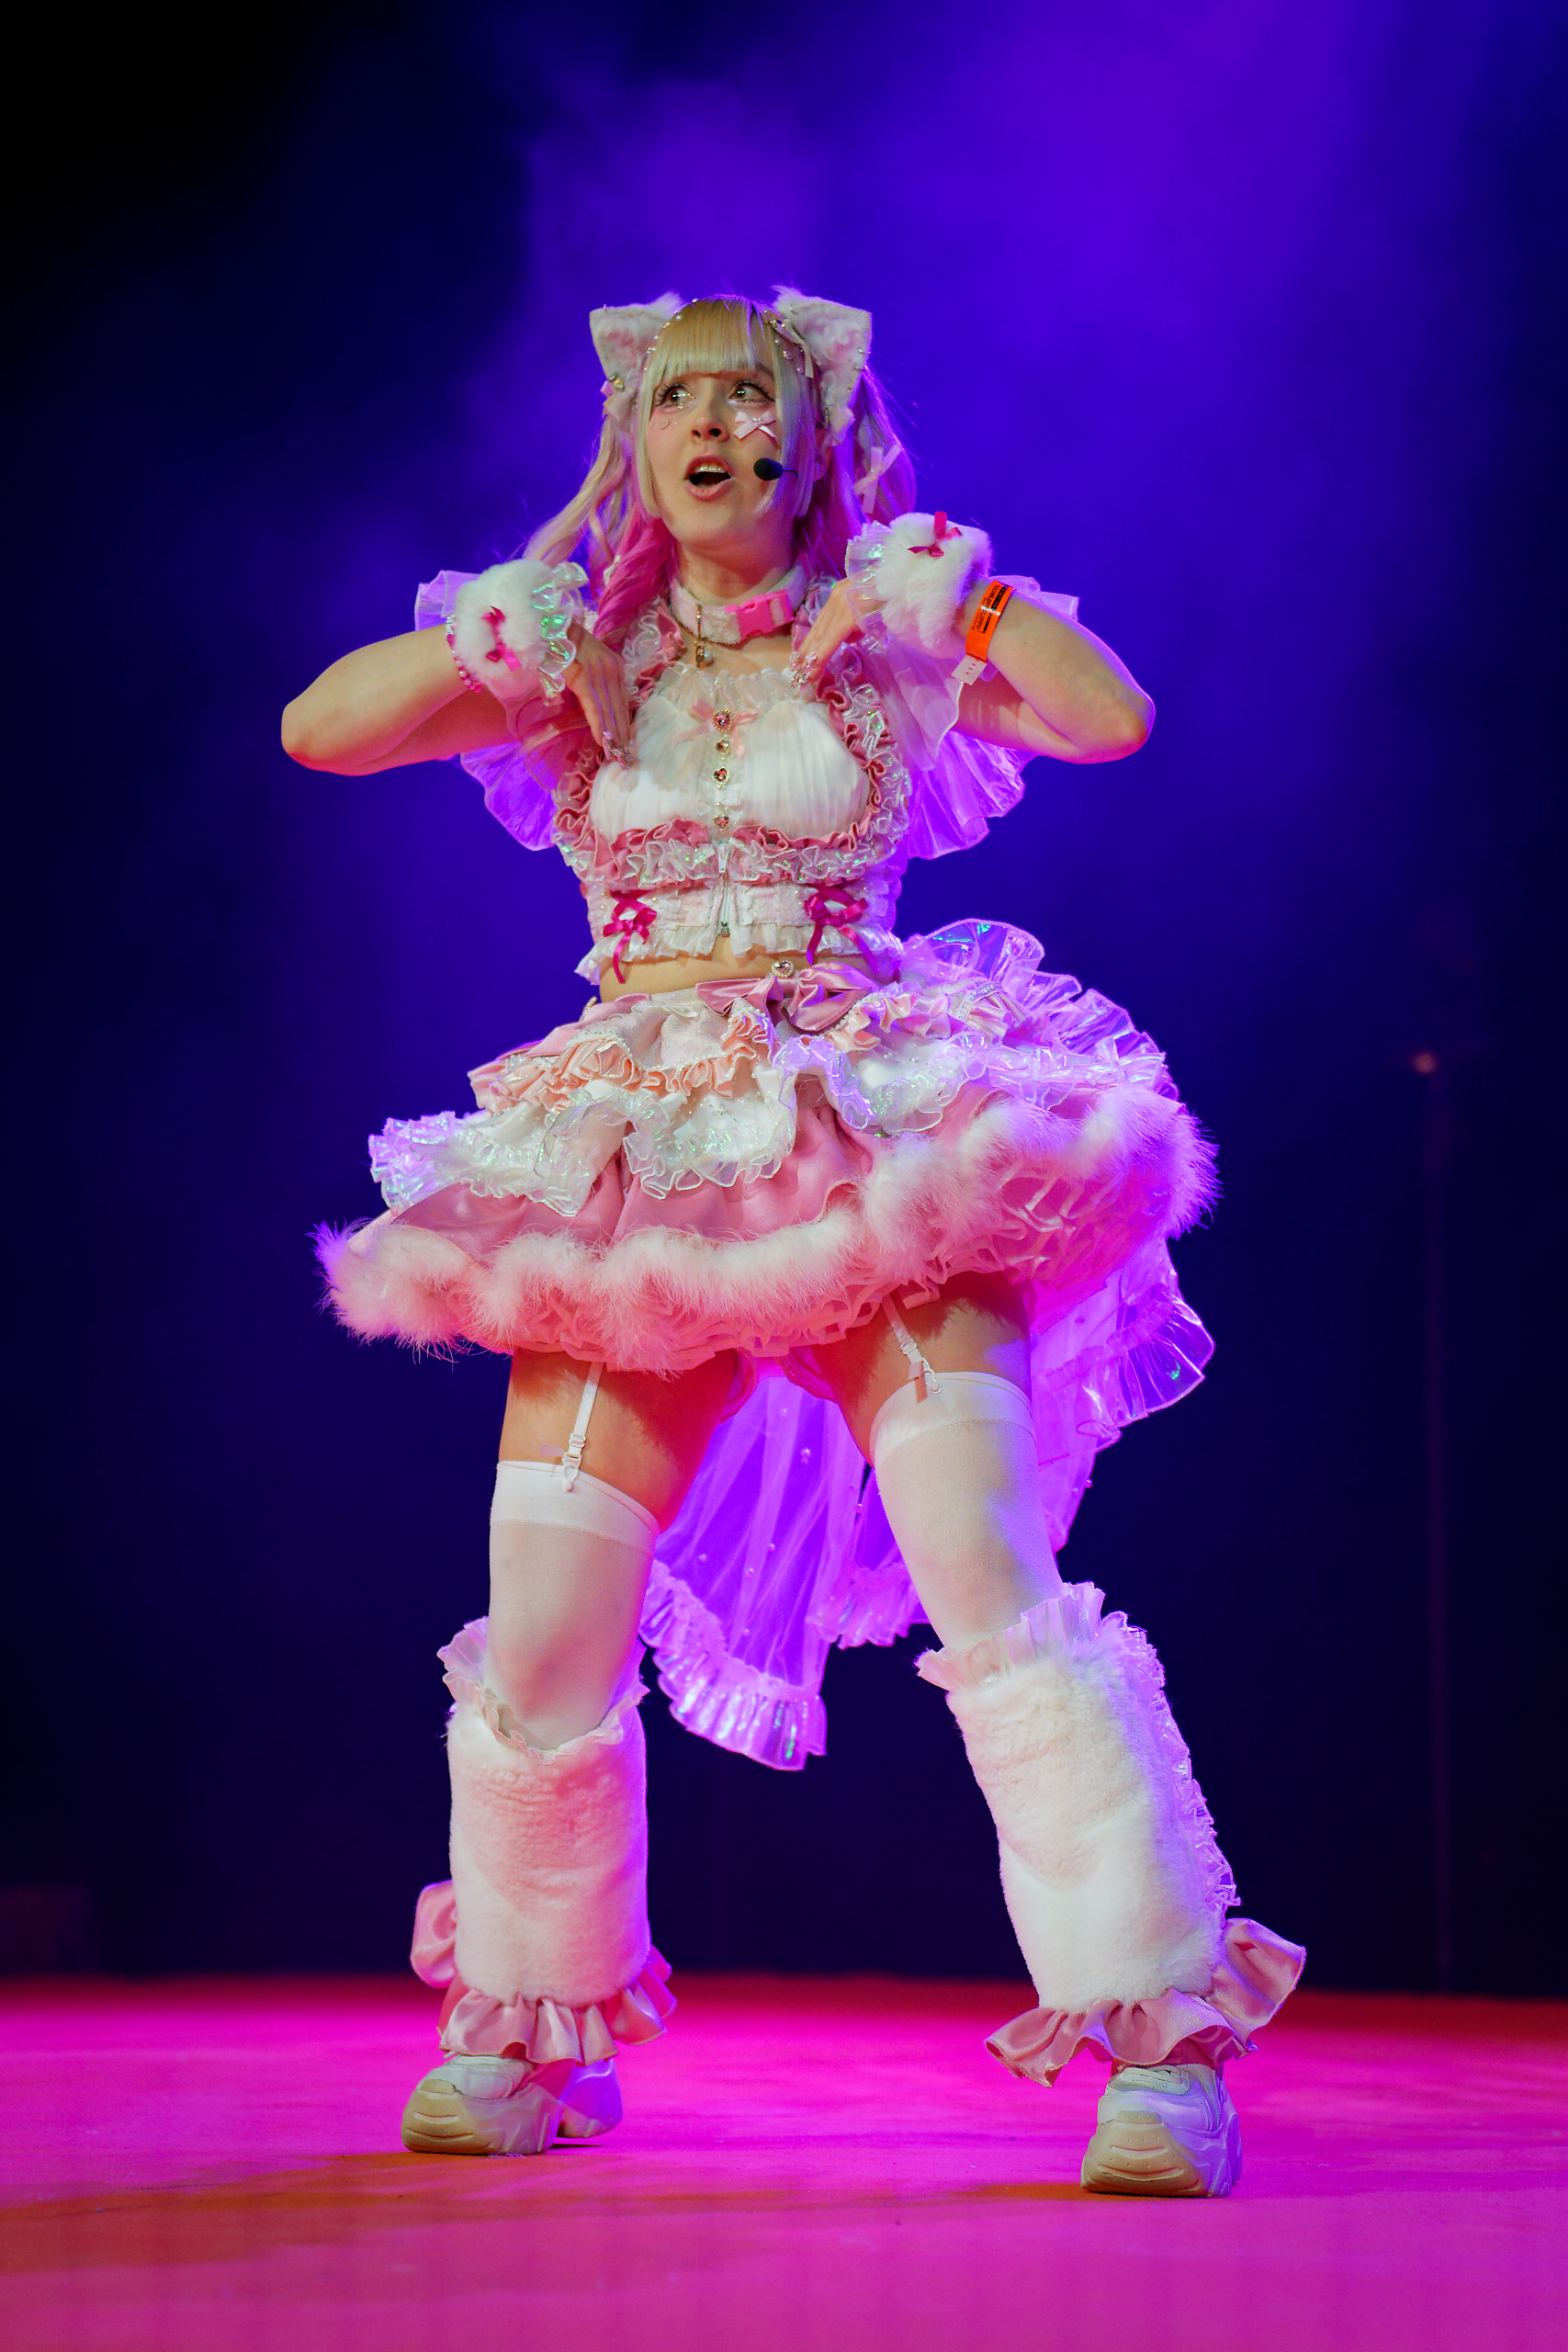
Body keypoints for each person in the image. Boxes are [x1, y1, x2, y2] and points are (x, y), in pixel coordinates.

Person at [283, 290, 1303, 2194]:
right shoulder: (583, 651)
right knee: (545, 1615)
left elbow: (1110, 717)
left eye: (742, 393)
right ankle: (529, 2021)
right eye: (672, 395)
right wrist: (490, 625)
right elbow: (319, 732)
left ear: (801, 433)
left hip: (860, 1124)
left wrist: (960, 603)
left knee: (984, 1568)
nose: (706, 423)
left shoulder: (875, 626)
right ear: (635, 438)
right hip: (640, 1148)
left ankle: (1158, 2034)